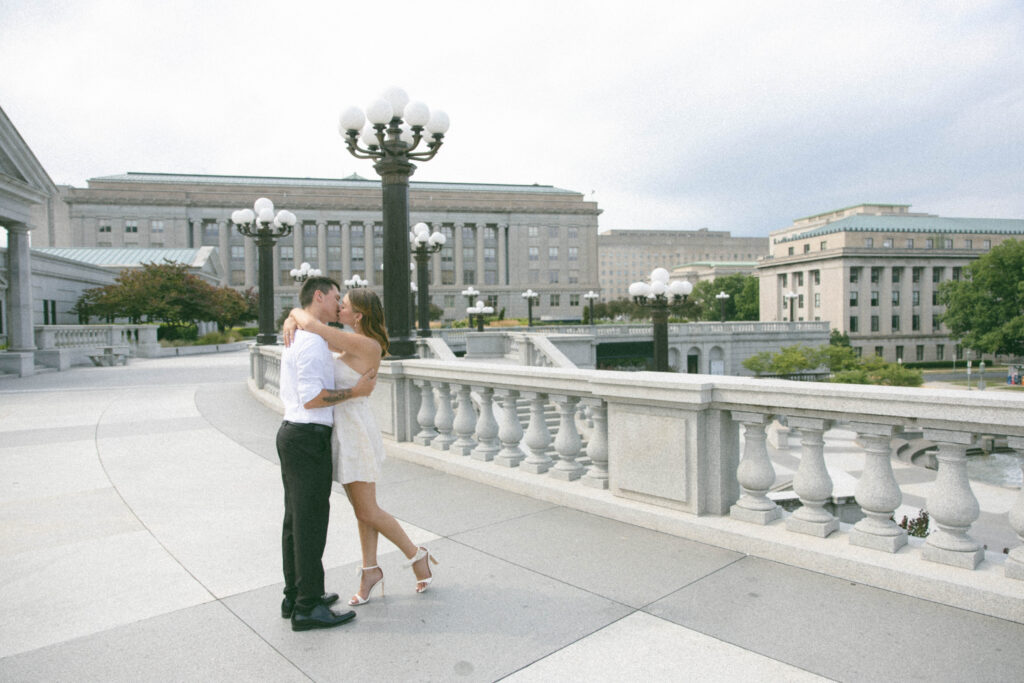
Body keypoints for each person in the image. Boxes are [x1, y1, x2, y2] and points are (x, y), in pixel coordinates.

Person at [284, 287, 438, 606]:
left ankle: (416, 554)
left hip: (354, 431)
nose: (339, 308)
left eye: (346, 306)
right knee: (362, 510)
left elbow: (311, 324)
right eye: (338, 303)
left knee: (367, 509)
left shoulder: (365, 344)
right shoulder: (349, 339)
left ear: (359, 315)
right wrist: (290, 317)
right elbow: (309, 324)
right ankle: (370, 570)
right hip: (343, 429)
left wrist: (294, 316)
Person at [276, 276, 376, 632]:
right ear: (318, 296)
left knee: (296, 520)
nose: (338, 304)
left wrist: (294, 314)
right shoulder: (313, 342)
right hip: (307, 435)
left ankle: (297, 594)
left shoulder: (299, 333)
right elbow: (313, 397)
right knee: (310, 523)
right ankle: (308, 606)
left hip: (294, 433)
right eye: (335, 297)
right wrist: (353, 392)